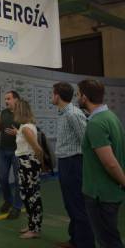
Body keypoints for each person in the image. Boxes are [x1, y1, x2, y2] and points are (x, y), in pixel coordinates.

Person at [77, 79, 125, 248]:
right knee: (111, 237)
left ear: (84, 97)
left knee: (108, 242)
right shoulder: (111, 116)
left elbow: (110, 163)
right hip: (110, 192)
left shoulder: (96, 124)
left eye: (78, 94)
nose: (77, 97)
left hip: (100, 195)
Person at [52, 82, 95, 248]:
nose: (51, 97)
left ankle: (85, 243)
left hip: (73, 162)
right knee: (70, 204)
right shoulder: (63, 113)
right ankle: (75, 240)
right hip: (65, 162)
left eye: (52, 93)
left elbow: (86, 140)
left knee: (77, 204)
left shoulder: (73, 114)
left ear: (57, 95)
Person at [13, 99, 43, 239]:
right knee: (27, 195)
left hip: (28, 164)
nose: (13, 111)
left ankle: (35, 229)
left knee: (32, 196)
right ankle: (32, 225)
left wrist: (41, 165)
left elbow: (37, 149)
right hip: (25, 163)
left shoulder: (26, 128)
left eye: (15, 108)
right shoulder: (25, 126)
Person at [0, 90, 22, 219]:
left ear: (16, 100)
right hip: (3, 150)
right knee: (2, 177)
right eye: (5, 99)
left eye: (8, 99)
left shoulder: (23, 114)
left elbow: (32, 131)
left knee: (18, 180)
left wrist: (18, 132)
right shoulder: (3, 113)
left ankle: (17, 207)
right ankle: (8, 200)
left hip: (18, 151)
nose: (6, 101)